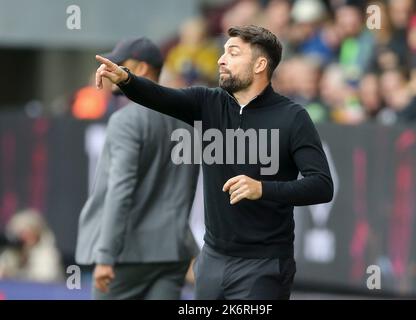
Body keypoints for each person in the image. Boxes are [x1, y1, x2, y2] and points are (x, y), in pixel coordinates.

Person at [95, 26, 333, 300]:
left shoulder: (293, 117)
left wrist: (263, 189)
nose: (221, 59)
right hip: (212, 262)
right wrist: (127, 80)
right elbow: (160, 97)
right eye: (223, 52)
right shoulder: (209, 102)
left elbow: (322, 185)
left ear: (260, 64)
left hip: (264, 265)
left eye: (232, 53)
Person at [76, 37, 199, 300]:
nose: (110, 69)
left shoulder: (126, 120)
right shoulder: (188, 120)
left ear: (141, 69)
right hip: (174, 251)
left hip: (128, 253)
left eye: (120, 64)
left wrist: (106, 255)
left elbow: (120, 189)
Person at [0, 208, 64, 283]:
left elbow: (43, 280)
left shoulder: (47, 254)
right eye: (19, 233)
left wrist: (12, 275)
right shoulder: (11, 252)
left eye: (26, 232)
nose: (22, 236)